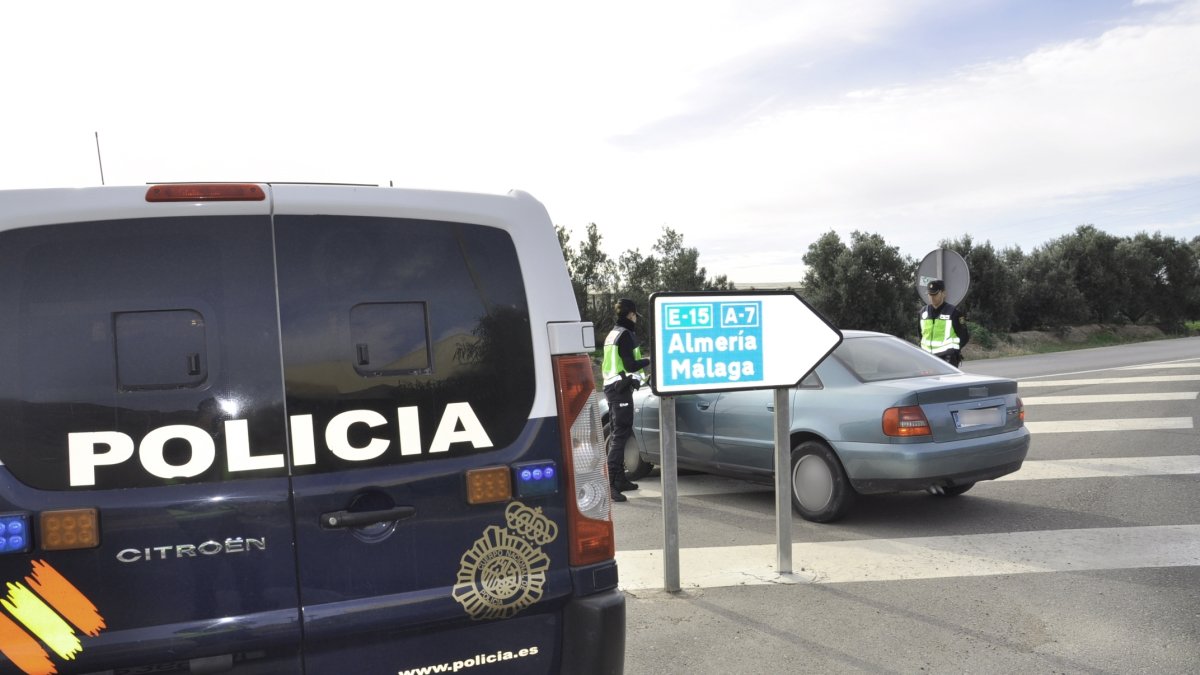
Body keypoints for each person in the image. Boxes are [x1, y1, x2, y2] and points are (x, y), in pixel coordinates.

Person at [602, 298, 651, 503]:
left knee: (618, 433)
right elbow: (630, 365)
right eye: (635, 316)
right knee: (620, 435)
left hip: (613, 387)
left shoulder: (613, 333)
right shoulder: (625, 335)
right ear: (631, 314)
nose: (636, 319)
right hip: (620, 389)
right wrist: (649, 360)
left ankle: (620, 479)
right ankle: (611, 484)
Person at [920, 279, 969, 367]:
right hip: (926, 358)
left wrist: (954, 351)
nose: (932, 297)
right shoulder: (922, 312)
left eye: (935, 294)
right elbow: (921, 334)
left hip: (947, 359)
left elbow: (964, 336)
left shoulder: (953, 312)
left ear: (943, 293)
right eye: (930, 294)